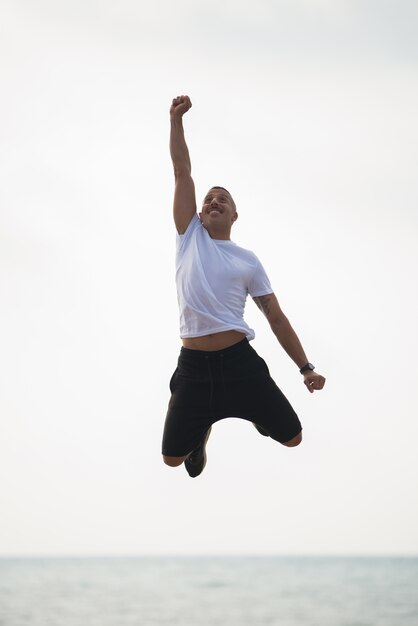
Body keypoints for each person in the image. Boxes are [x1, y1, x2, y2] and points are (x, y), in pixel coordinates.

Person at [162, 94, 326, 478]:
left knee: (293, 437)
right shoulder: (189, 236)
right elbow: (181, 172)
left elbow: (275, 316)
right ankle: (200, 433)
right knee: (172, 459)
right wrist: (175, 122)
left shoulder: (247, 260)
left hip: (239, 363)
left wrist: (305, 367)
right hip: (194, 366)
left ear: (234, 215)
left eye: (223, 199)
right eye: (208, 200)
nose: (214, 201)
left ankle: (254, 413)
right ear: (200, 214)